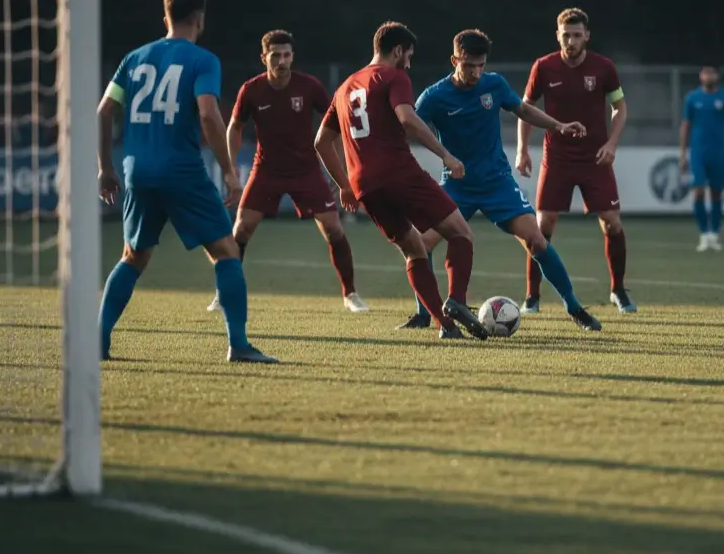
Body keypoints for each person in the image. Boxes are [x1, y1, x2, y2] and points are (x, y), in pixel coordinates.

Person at [96, 0, 276, 363]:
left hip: (137, 171)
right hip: (180, 169)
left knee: (133, 256)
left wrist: (105, 168)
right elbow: (209, 114)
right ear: (200, 20)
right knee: (226, 251)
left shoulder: (134, 58)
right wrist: (229, 170)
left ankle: (96, 342)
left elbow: (103, 111)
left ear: (166, 18)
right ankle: (239, 345)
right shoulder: (202, 60)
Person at [398, 29, 603, 331]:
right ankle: (424, 313)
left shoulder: (494, 84)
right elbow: (408, 127)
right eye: (469, 65)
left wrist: (557, 125)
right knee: (421, 244)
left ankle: (574, 308)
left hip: (497, 183)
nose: (476, 72)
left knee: (536, 240)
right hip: (457, 186)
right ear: (455, 60)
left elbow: (521, 109)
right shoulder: (434, 96)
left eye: (481, 65)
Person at [313, 21, 488, 339]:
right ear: (396, 51)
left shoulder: (344, 88)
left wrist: (344, 185)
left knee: (414, 250)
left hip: (365, 184)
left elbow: (321, 142)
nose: (409, 63)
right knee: (461, 232)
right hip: (399, 172)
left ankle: (445, 326)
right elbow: (407, 119)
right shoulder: (393, 76)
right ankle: (457, 302)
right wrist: (445, 156)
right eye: (407, 56)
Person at [205, 30, 367, 314]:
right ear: (264, 58)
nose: (282, 61)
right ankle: (224, 294)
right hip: (266, 169)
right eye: (276, 55)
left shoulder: (309, 87)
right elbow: (235, 127)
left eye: (287, 55)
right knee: (241, 229)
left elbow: (336, 124)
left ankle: (350, 294)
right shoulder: (251, 90)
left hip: (306, 170)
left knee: (333, 227)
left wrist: (341, 171)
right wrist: (230, 170)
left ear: (293, 56)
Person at [516, 8, 635, 314]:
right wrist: (522, 149)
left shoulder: (604, 68)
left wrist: (611, 144)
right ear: (558, 35)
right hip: (557, 158)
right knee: (542, 227)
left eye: (577, 35)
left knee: (611, 222)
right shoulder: (543, 67)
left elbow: (620, 108)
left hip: (595, 158)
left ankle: (618, 291)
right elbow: (525, 109)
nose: (570, 41)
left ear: (587, 36)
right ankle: (532, 296)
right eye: (565, 35)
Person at [679, 65, 724, 251]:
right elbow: (685, 126)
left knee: (716, 192)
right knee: (698, 191)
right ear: (700, 76)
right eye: (706, 72)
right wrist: (682, 153)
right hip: (698, 153)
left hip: (718, 152)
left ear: (717, 75)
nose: (709, 76)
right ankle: (704, 233)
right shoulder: (692, 98)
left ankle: (715, 233)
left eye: (712, 72)